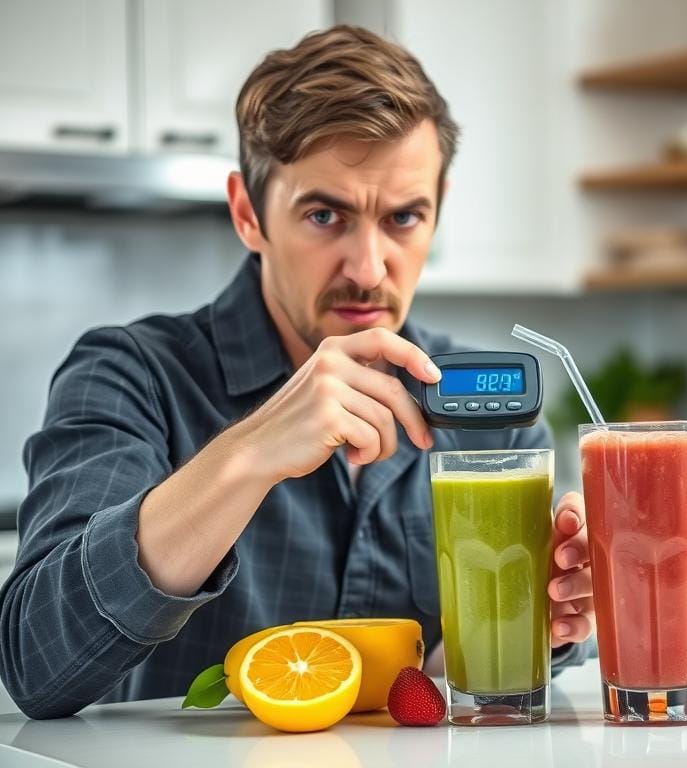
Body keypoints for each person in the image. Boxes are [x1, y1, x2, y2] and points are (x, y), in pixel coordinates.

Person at [0, 25, 594, 719]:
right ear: (249, 214)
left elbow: (447, 684)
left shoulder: (486, 412)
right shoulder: (131, 375)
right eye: (324, 215)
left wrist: (537, 622)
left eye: (405, 217)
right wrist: (248, 454)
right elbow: (35, 664)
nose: (369, 269)